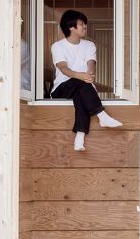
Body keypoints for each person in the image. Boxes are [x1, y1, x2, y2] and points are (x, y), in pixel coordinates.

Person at [49, 9, 122, 151]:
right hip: (61, 89)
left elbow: (91, 65)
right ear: (71, 27)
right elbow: (63, 68)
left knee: (80, 94)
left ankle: (79, 138)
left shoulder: (89, 45)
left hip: (82, 87)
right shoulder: (57, 46)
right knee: (79, 83)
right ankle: (102, 115)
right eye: (82, 24)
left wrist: (88, 75)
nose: (85, 27)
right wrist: (82, 76)